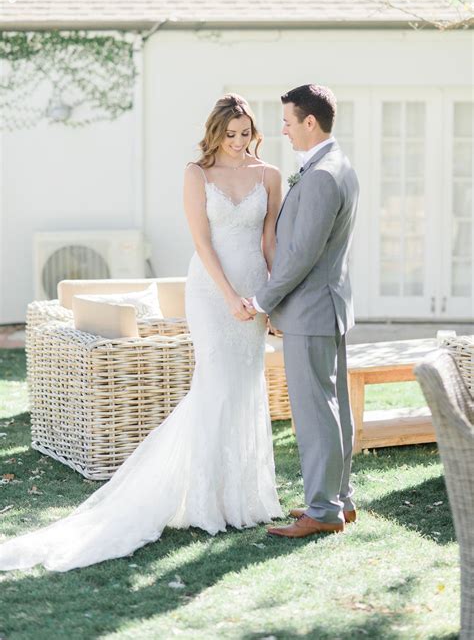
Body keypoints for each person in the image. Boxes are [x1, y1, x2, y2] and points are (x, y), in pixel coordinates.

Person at [0, 94, 283, 572]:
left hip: (255, 290)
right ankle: (203, 500)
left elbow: (269, 238)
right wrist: (229, 294)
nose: (238, 143)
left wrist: (270, 298)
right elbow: (201, 240)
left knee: (245, 386)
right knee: (213, 384)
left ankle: (244, 499)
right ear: (215, 133)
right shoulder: (196, 174)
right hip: (213, 292)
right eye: (229, 135)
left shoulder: (270, 175)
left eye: (244, 134)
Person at [244, 84, 360, 538]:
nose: (284, 130)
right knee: (333, 408)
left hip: (312, 310)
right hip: (328, 306)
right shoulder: (336, 166)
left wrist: (261, 301)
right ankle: (339, 501)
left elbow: (300, 255)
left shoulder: (322, 176)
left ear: (311, 122)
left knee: (315, 413)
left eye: (289, 121)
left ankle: (323, 510)